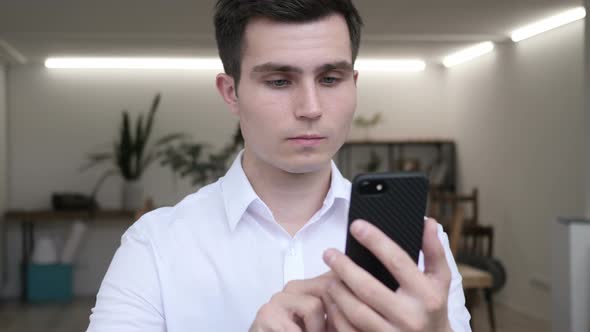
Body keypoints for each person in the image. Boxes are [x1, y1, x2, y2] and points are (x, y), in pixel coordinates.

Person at [87, 0, 471, 331]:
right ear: (231, 92)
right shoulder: (155, 245)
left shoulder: (420, 252)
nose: (310, 108)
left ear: (354, 83)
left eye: (331, 78)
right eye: (279, 81)